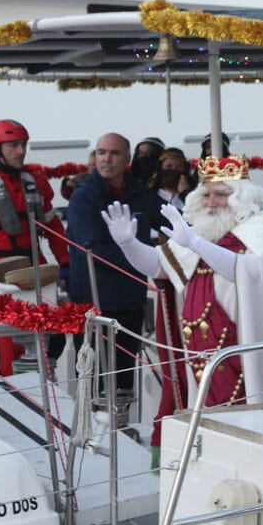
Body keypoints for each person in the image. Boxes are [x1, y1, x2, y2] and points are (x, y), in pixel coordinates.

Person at [103, 155, 263, 461]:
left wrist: (195, 244)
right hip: (202, 358)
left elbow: (248, 272)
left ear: (242, 199)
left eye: (221, 194)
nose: (211, 202)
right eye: (206, 194)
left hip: (249, 356)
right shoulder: (201, 234)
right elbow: (157, 266)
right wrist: (129, 244)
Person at [66, 133, 163, 427]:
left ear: (127, 159)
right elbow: (92, 248)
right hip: (94, 300)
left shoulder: (140, 193)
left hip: (131, 297)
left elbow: (170, 220)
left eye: (114, 153)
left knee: (123, 377)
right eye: (101, 152)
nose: (106, 159)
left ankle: (121, 430)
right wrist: (143, 259)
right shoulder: (84, 197)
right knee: (94, 377)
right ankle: (91, 433)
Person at [0, 118, 71, 363]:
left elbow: (53, 228)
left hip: (35, 271)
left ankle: (44, 373)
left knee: (57, 337)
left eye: (23, 145)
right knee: (5, 347)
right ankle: (2, 378)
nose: (21, 151)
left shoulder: (36, 183)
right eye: (13, 146)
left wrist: (65, 264)